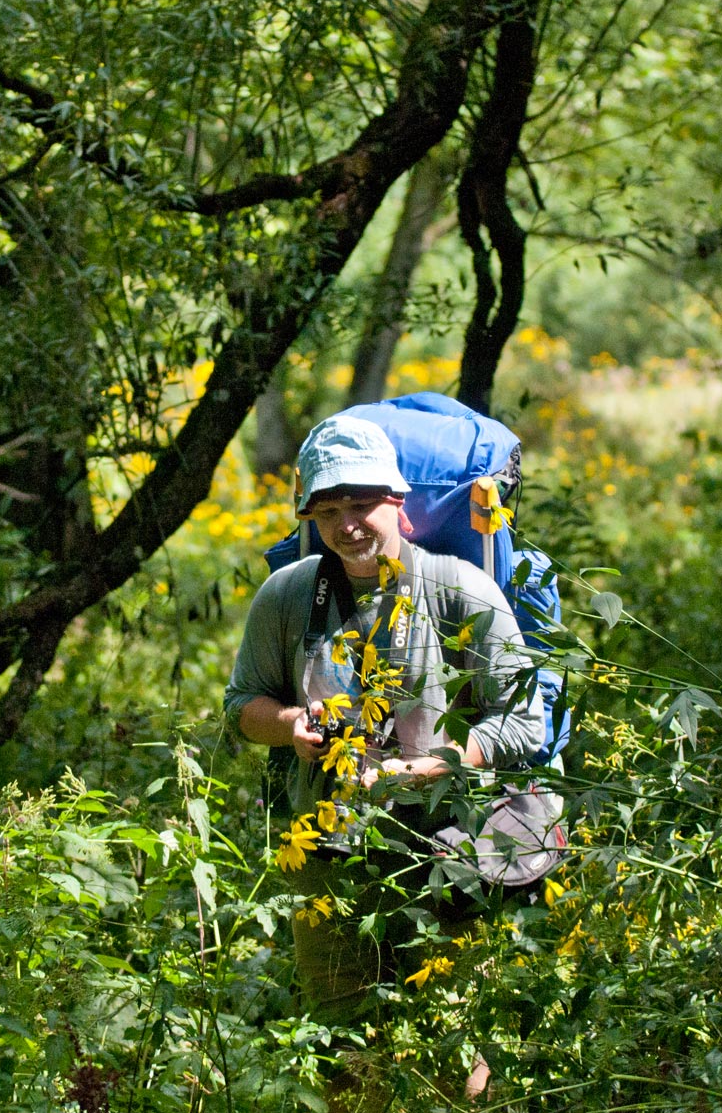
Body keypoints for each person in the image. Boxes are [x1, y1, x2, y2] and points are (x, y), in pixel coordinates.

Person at [224, 412, 545, 1100]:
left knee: (455, 1052)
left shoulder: (461, 592)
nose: (348, 525)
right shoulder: (287, 597)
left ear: (396, 502)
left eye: (362, 504)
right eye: (330, 509)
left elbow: (524, 720)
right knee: (341, 1055)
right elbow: (241, 707)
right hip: (326, 862)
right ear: (311, 516)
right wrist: (289, 726)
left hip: (451, 854)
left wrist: (436, 765)